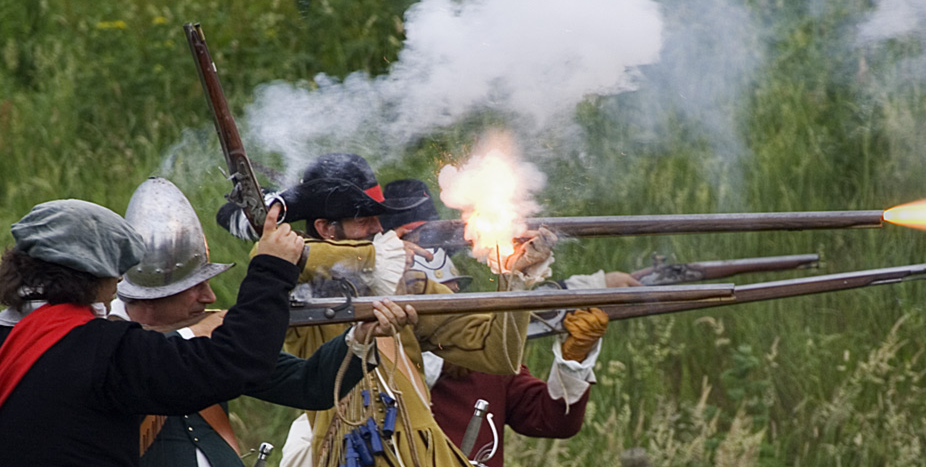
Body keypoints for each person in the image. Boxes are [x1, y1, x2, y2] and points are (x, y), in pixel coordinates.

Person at [220, 154, 548, 467]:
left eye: (378, 219)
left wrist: (514, 279)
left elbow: (498, 355)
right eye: (364, 220)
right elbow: (278, 255)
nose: (379, 229)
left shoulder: (407, 283)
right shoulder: (298, 286)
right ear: (326, 229)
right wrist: (373, 260)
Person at [110, 177, 412, 467]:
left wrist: (360, 336)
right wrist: (192, 333)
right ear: (156, 296)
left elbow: (309, 385)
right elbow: (154, 362)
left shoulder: (213, 348)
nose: (210, 297)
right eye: (195, 287)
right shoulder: (107, 348)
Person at [0, 198, 302, 466]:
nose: (119, 280)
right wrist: (272, 268)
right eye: (116, 270)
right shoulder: (105, 350)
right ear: (95, 273)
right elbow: (232, 363)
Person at [379, 179, 616, 467]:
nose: (447, 302)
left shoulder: (484, 355)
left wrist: (573, 359)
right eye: (436, 296)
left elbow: (552, 421)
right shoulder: (368, 352)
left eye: (450, 294)